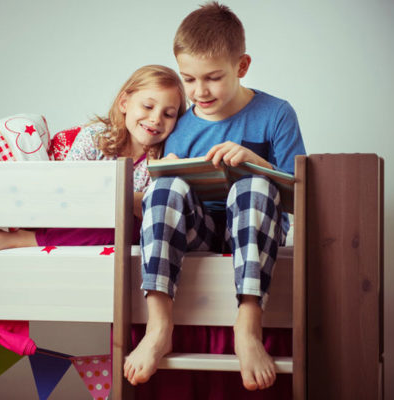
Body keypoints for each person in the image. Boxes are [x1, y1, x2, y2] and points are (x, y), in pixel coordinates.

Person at [123, 2, 306, 392]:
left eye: (212, 78)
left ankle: (248, 323)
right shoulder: (181, 125)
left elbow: (302, 196)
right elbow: (157, 202)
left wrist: (257, 163)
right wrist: (168, 170)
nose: (199, 91)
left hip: (256, 233)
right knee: (164, 187)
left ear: (242, 66)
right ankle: (159, 326)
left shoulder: (276, 113)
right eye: (188, 79)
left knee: (253, 185)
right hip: (200, 232)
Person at [0, 64, 187, 252]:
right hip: (72, 213)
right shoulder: (95, 137)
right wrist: (128, 200)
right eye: (148, 107)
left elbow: (150, 212)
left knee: (127, 229)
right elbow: (71, 189)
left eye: (169, 114)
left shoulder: (162, 156)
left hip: (111, 226)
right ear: (124, 102)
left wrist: (121, 201)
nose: (156, 119)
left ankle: (20, 241)